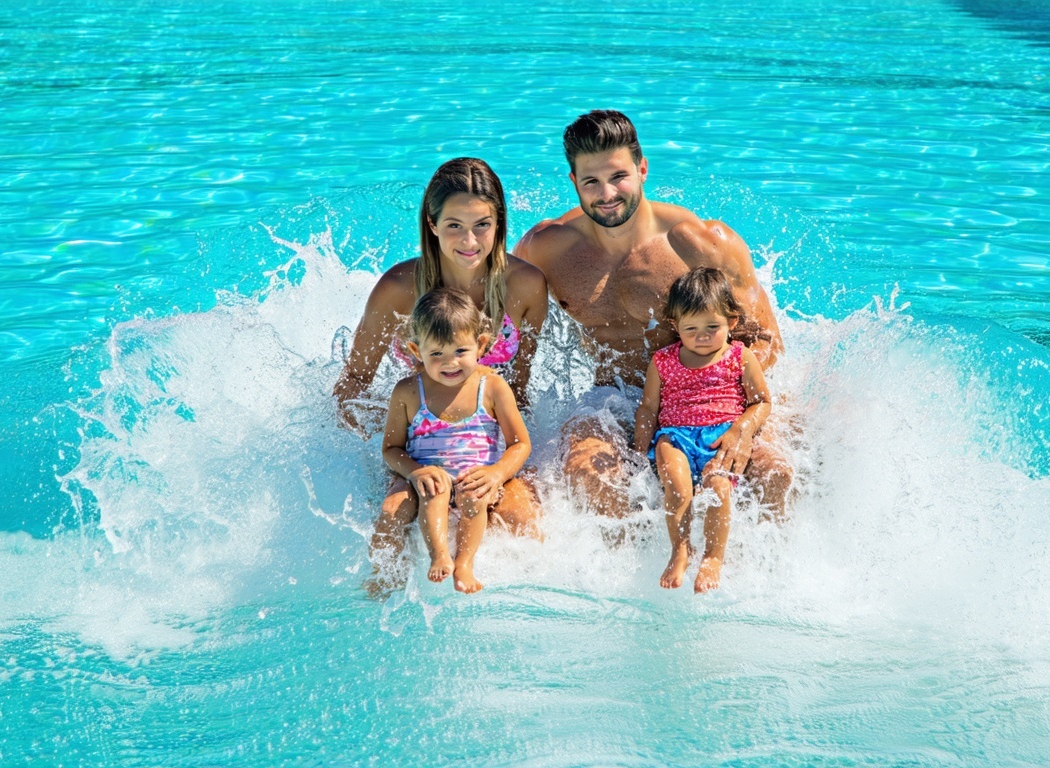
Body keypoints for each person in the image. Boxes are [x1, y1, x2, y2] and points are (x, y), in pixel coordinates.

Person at [515, 109, 791, 519]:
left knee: (775, 475)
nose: (606, 194)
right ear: (574, 181)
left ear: (642, 168)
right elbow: (498, 321)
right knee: (587, 474)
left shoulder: (699, 243)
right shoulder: (546, 249)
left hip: (711, 395)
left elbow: (767, 340)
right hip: (615, 398)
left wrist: (742, 420)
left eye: (618, 177)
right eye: (591, 181)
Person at [335, 157, 546, 538]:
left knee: (526, 524)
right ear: (432, 225)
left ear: (499, 223)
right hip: (419, 441)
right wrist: (389, 453)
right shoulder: (398, 289)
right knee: (394, 520)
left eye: (483, 225)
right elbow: (354, 381)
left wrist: (504, 467)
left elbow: (520, 387)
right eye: (454, 226)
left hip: (487, 441)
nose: (470, 241)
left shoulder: (526, 285)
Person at [375, 289, 532, 594]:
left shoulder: (493, 388)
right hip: (424, 476)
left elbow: (520, 444)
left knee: (474, 496)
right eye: (437, 354)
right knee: (392, 510)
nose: (450, 363)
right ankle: (388, 577)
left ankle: (464, 565)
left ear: (481, 345)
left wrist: (496, 474)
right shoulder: (408, 392)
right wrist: (414, 472)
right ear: (416, 350)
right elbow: (390, 449)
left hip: (475, 477)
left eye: (460, 351)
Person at [634, 268, 771, 593]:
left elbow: (762, 402)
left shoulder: (739, 356)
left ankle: (713, 557)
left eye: (713, 327)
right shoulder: (663, 360)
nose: (702, 336)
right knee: (677, 486)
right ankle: (681, 549)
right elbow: (649, 408)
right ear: (675, 325)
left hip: (721, 436)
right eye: (691, 328)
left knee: (717, 489)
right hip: (676, 437)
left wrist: (743, 428)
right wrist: (639, 452)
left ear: (731, 323)